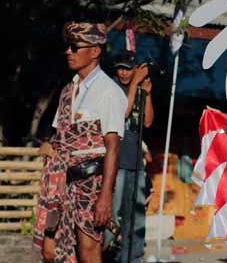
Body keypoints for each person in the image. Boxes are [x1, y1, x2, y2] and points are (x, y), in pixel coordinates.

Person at [33, 22, 127, 263]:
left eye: (75, 47)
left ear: (95, 51)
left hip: (91, 185)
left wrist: (105, 196)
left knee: (88, 251)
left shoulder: (109, 91)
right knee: (50, 252)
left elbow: (113, 146)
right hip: (60, 185)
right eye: (68, 47)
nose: (68, 52)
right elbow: (59, 137)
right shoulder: (68, 90)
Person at [105, 51, 154, 263]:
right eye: (120, 68)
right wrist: (133, 85)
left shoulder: (140, 90)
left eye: (128, 69)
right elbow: (121, 113)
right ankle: (105, 253)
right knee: (112, 213)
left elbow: (148, 122)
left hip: (136, 163)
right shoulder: (112, 89)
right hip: (117, 162)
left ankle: (133, 257)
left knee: (136, 216)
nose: (123, 73)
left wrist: (148, 94)